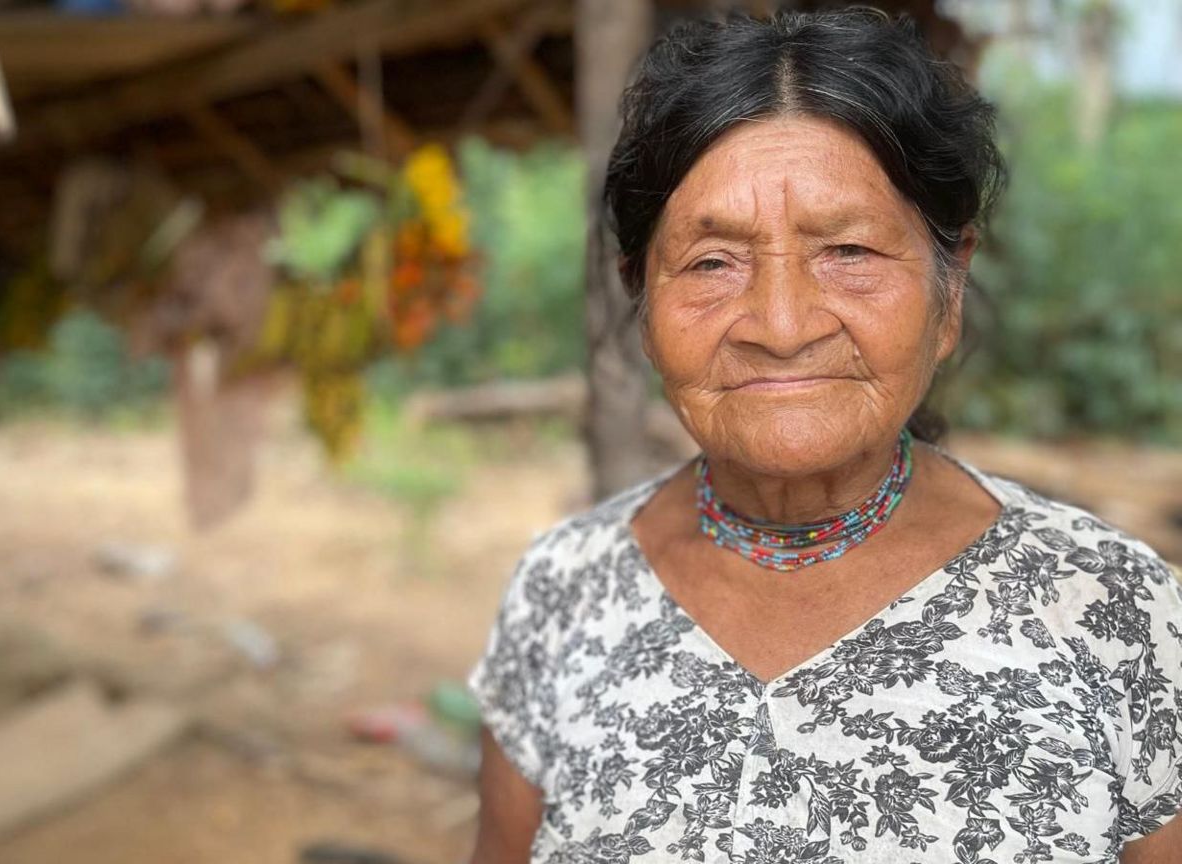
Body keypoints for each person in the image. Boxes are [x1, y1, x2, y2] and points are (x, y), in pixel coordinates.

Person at [465, 9, 1182, 864]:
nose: (780, 324)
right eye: (711, 262)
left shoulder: (1110, 611)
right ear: (642, 301)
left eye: (847, 250)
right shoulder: (563, 595)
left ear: (949, 292)